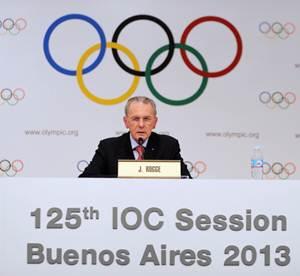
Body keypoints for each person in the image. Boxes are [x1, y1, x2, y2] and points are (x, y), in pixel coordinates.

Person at [79, 96, 191, 178]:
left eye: (146, 119)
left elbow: (187, 181)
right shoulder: (108, 147)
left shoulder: (168, 146)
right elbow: (86, 179)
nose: (141, 125)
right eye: (135, 119)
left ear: (155, 122)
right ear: (126, 122)